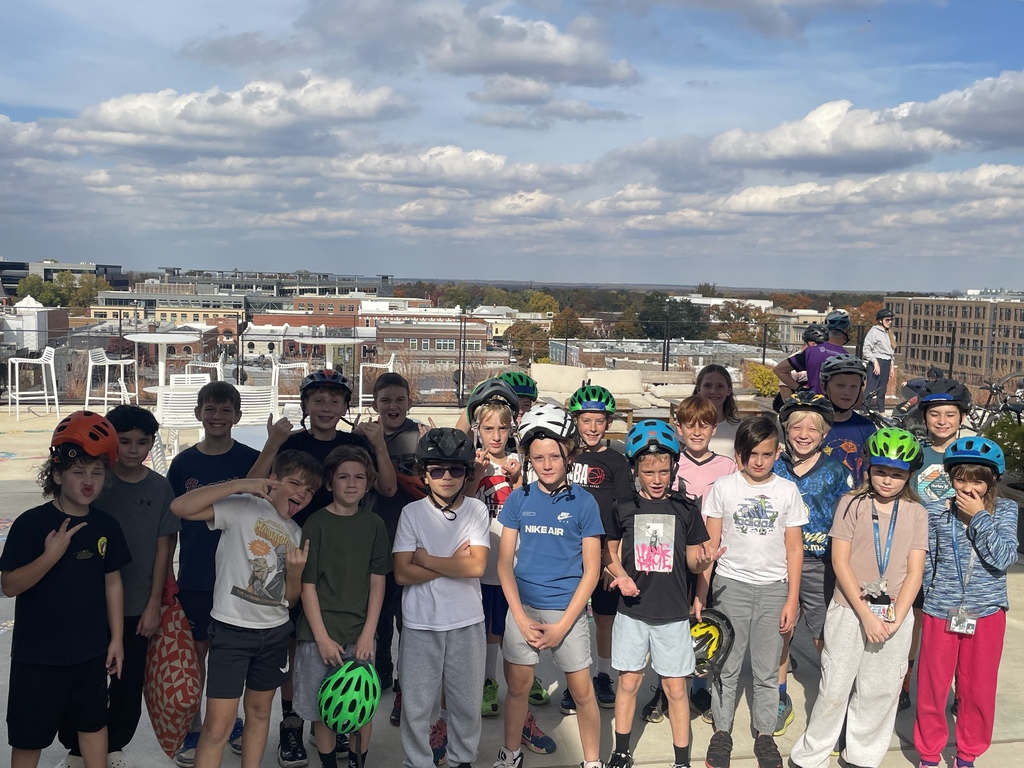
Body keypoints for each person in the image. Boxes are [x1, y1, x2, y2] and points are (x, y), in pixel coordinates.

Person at [249, 369, 396, 765]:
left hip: (346, 555)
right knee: (297, 647)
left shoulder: (355, 444)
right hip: (295, 549)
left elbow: (387, 488)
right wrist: (272, 441)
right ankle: (292, 725)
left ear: (346, 405)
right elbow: (255, 486)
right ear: (305, 405)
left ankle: (338, 717)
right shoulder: (291, 442)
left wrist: (378, 444)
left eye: (335, 399)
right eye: (318, 399)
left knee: (338, 662)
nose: (326, 406)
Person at [170, 450, 321, 768]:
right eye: (295, 483)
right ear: (273, 480)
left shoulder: (296, 533)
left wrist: (295, 574)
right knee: (218, 726)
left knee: (260, 713)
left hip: (275, 633)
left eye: (309, 490)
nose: (301, 494)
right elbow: (180, 507)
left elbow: (290, 599)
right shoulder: (242, 506)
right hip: (231, 630)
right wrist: (243, 484)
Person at [789, 428, 928, 768]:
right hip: (850, 609)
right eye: (880, 471)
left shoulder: (916, 512)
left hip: (894, 613)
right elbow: (840, 561)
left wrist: (895, 618)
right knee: (834, 686)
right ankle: (812, 755)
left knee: (880, 690)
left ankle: (863, 755)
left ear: (909, 475)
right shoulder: (851, 503)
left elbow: (915, 571)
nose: (887, 480)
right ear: (868, 468)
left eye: (897, 474)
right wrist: (866, 615)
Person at [1, 411, 130, 768]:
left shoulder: (106, 525)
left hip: (90, 654)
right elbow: (9, 585)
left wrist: (117, 639)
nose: (88, 481)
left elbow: (113, 582)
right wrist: (50, 556)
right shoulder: (31, 524)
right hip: (37, 658)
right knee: (29, 737)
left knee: (93, 725)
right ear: (57, 475)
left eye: (97, 472)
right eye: (78, 472)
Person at [55, 406, 180, 768]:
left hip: (137, 605)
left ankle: (113, 748)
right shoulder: (95, 481)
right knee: (82, 680)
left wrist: (154, 604)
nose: (133, 449)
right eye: (125, 441)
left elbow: (164, 548)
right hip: (90, 605)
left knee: (128, 682)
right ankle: (77, 749)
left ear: (152, 443)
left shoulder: (160, 487)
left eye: (142, 442)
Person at [492, 404, 605, 768]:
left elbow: (592, 571)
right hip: (523, 610)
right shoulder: (519, 499)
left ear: (568, 454)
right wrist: (519, 618)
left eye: (554, 456)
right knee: (518, 689)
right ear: (529, 458)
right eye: (538, 457)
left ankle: (592, 761)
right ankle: (510, 755)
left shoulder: (585, 503)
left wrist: (562, 626)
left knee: (583, 692)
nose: (546, 464)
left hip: (566, 613)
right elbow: (504, 564)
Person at [603, 420, 719, 768]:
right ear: (635, 469)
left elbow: (694, 561)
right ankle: (622, 751)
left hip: (672, 614)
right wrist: (621, 576)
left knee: (676, 689)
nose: (657, 479)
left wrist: (703, 561)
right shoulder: (623, 506)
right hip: (632, 612)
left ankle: (681, 760)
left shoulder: (685, 508)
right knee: (628, 683)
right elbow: (609, 554)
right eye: (649, 471)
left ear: (673, 469)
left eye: (664, 471)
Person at [700, 416, 807, 768]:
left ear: (778, 453)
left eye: (766, 454)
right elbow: (711, 546)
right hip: (731, 587)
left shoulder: (787, 491)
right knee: (726, 667)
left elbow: (794, 548)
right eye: (751, 454)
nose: (759, 461)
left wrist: (791, 599)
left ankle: (765, 734)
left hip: (774, 590)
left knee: (766, 670)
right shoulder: (723, 488)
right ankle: (722, 731)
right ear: (739, 453)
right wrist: (701, 595)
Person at [167, 382, 262, 767]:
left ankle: (229, 723)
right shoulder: (183, 464)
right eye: (210, 409)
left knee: (233, 655)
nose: (217, 416)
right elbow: (170, 525)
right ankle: (195, 726)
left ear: (238, 416)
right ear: (198, 413)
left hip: (240, 577)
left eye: (226, 410)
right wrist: (168, 576)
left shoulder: (252, 459)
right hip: (196, 575)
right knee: (197, 653)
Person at [462, 382, 557, 756]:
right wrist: (475, 474)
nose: (496, 436)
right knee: (485, 632)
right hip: (480, 565)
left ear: (512, 428)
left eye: (503, 428)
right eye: (488, 428)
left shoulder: (523, 463)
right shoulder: (470, 462)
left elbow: (532, 507)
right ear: (477, 428)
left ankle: (522, 698)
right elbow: (460, 505)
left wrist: (517, 480)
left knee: (517, 633)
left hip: (516, 566)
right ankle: (486, 684)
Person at [915, 437, 1018, 768]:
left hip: (987, 612)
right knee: (932, 686)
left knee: (978, 688)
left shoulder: (1005, 510)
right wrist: (933, 598)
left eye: (978, 481)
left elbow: (1003, 558)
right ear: (950, 478)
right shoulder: (936, 511)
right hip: (941, 610)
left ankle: (968, 753)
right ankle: (929, 753)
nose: (969, 488)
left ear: (992, 480)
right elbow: (929, 562)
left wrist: (978, 517)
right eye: (961, 479)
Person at [394, 428, 490, 768]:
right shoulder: (412, 513)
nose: (446, 477)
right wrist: (452, 562)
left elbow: (476, 566)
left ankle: (463, 759)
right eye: (436, 471)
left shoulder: (476, 510)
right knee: (417, 705)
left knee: (467, 702)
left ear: (467, 474)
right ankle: (417, 761)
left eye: (456, 470)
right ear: (423, 474)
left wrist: (425, 558)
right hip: (421, 622)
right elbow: (402, 573)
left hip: (467, 621)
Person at [294, 446, 390, 768]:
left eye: (359, 477)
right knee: (325, 711)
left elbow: (377, 582)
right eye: (343, 477)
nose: (351, 483)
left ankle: (356, 763)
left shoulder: (374, 524)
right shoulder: (315, 524)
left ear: (369, 483)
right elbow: (307, 585)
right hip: (319, 636)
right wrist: (322, 638)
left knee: (362, 708)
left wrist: (368, 635)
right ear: (329, 482)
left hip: (360, 635)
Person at [771, 393, 851, 737]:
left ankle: (835, 706)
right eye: (796, 427)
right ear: (785, 430)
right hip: (777, 562)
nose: (803, 434)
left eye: (812, 429)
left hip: (819, 565)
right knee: (780, 633)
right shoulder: (774, 467)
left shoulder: (836, 472)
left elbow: (848, 521)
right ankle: (779, 695)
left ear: (824, 433)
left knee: (824, 635)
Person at [655, 394, 735, 724]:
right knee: (670, 620)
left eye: (704, 425)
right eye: (690, 425)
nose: (697, 432)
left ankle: (701, 687)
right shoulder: (671, 463)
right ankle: (664, 688)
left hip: (712, 555)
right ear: (679, 429)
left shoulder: (727, 467)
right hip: (675, 554)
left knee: (705, 619)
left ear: (715, 429)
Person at [901, 378, 973, 711]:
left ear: (962, 417)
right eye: (934, 414)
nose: (942, 421)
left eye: (950, 414)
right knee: (915, 618)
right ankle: (905, 681)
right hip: (920, 551)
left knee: (958, 625)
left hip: (959, 556)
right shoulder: (916, 454)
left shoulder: (971, 454)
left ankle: (960, 689)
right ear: (924, 416)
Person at [564, 384, 634, 715]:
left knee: (605, 619)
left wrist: (613, 559)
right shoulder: (566, 456)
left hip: (604, 551)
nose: (592, 427)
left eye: (599, 421)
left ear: (608, 423)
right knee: (573, 617)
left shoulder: (616, 461)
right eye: (586, 420)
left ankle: (603, 675)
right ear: (576, 421)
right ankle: (573, 682)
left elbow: (621, 513)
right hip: (570, 551)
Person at [369, 372, 426, 702]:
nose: (393, 406)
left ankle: (406, 679)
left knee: (409, 617)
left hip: (412, 541)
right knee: (378, 614)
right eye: (386, 400)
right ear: (374, 404)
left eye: (399, 400)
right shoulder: (364, 437)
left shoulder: (420, 436)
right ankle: (381, 668)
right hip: (375, 538)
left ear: (409, 402)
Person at [819, 354, 876, 486]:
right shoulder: (813, 424)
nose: (847, 392)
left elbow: (868, 470)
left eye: (853, 387)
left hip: (855, 495)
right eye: (840, 385)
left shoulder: (866, 427)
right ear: (824, 387)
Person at [774, 309, 852, 398]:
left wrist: (799, 388)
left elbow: (779, 370)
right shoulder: (848, 358)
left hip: (814, 402)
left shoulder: (811, 352)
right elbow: (857, 396)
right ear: (847, 330)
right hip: (836, 404)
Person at [693, 364, 742, 456]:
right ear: (699, 390)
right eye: (708, 386)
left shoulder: (740, 428)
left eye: (720, 386)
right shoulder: (687, 426)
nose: (713, 391)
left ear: (729, 390)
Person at [862, 308, 896, 414]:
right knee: (871, 389)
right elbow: (866, 349)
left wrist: (892, 366)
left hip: (887, 362)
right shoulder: (874, 332)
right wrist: (874, 361)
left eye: (891, 320)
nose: (889, 322)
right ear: (880, 320)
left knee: (882, 389)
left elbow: (891, 352)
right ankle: (864, 411)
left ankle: (882, 411)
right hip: (877, 362)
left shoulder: (890, 334)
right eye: (887, 320)